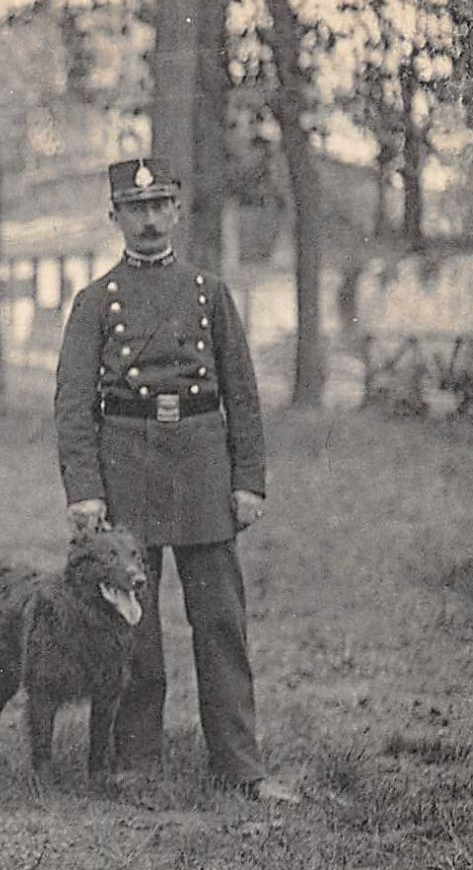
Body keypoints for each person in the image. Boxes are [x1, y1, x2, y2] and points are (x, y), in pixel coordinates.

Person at [54, 156, 299, 804]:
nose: (149, 219)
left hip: (200, 466)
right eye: (135, 209)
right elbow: (72, 403)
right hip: (125, 463)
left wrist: (248, 480)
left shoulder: (208, 293)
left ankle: (239, 762)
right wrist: (84, 489)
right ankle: (135, 759)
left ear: (176, 212)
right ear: (115, 218)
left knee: (219, 617)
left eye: (160, 205)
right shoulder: (94, 301)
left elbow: (241, 395)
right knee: (132, 622)